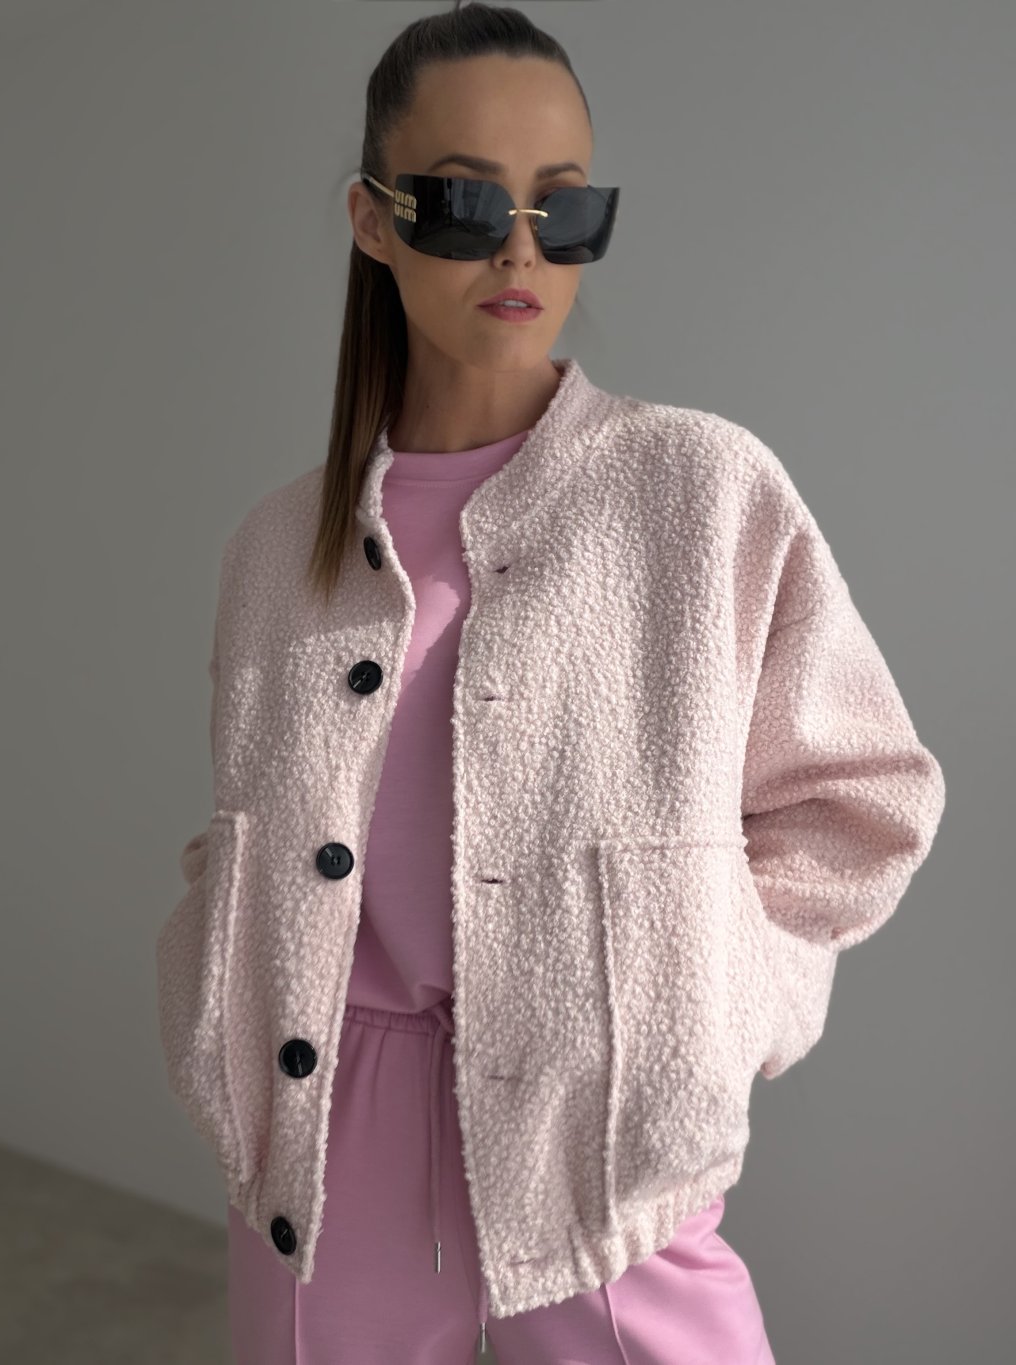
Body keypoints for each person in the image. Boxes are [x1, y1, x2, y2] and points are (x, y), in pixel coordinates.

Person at [154, 4, 946, 1363]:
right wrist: (212, 969)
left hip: (603, 1137)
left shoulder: (699, 490)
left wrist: (706, 1008)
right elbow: (247, 834)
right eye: (467, 203)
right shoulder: (278, 546)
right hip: (329, 1139)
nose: (520, 249)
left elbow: (863, 798)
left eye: (563, 208)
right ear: (372, 219)